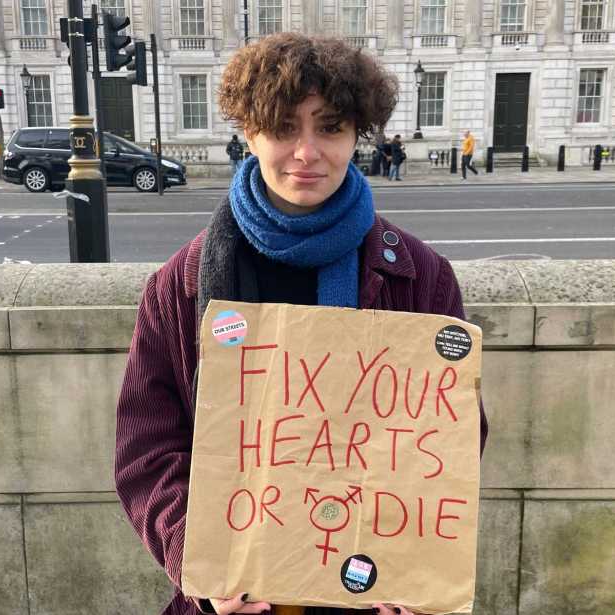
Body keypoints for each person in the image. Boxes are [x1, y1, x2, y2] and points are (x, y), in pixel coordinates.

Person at [114, 32, 487, 615]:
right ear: (249, 132)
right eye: (285, 127)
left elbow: (449, 441)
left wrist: (411, 563)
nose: (307, 152)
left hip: (369, 590)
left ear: (356, 134)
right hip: (238, 592)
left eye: (330, 126)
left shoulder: (421, 278)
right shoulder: (178, 286)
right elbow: (147, 451)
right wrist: (201, 563)